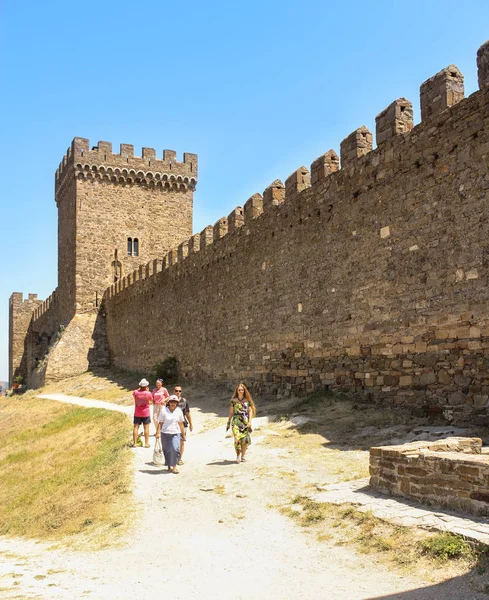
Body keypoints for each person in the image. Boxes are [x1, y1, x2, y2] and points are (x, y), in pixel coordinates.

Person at [226, 383, 256, 463]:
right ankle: (238, 454)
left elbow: (250, 411)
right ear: (237, 390)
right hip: (236, 421)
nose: (240, 391)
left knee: (245, 440)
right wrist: (228, 422)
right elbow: (231, 412)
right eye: (239, 390)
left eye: (242, 390)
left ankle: (243, 456)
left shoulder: (247, 400)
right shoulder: (233, 401)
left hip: (245, 422)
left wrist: (250, 422)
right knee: (237, 438)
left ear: (244, 390)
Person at [156, 394, 185, 473]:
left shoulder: (179, 411)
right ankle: (169, 465)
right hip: (165, 433)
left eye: (175, 402)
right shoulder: (163, 410)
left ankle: (174, 466)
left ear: (177, 403)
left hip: (176, 432)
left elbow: (181, 423)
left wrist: (183, 434)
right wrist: (157, 433)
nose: (173, 403)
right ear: (169, 402)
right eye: (171, 402)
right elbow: (160, 423)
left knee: (175, 449)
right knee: (167, 450)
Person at [174, 385, 193, 465]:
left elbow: (187, 413)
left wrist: (191, 424)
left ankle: (180, 459)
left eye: (179, 391)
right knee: (174, 442)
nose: (178, 392)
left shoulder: (184, 401)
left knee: (181, 442)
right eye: (176, 391)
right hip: (173, 425)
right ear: (174, 391)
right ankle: (173, 458)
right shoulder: (171, 401)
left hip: (183, 424)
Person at [132, 378, 152, 447]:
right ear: (146, 386)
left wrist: (139, 389)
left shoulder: (135, 392)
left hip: (137, 412)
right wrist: (147, 391)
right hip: (146, 412)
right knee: (146, 428)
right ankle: (146, 443)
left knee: (136, 427)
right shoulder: (148, 393)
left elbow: (134, 394)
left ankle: (134, 443)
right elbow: (151, 400)